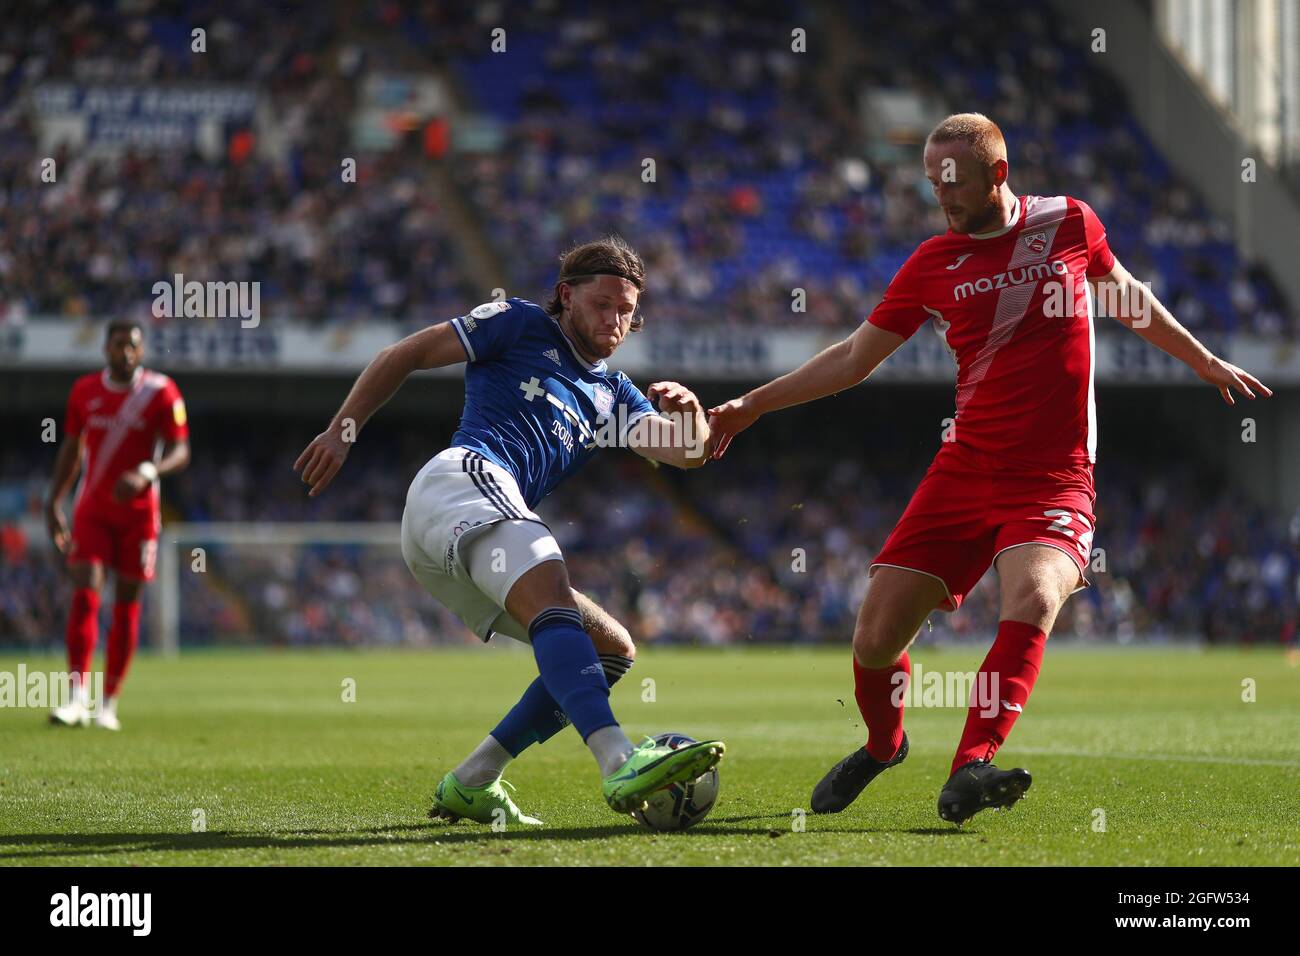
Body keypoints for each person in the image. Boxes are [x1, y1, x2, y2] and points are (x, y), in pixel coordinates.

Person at [708, 113, 1271, 825]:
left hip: (1054, 476)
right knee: (876, 639)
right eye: (932, 184)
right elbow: (854, 360)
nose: (943, 198)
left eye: (955, 183)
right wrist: (753, 405)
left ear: (998, 175)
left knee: (1034, 597)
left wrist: (1203, 360)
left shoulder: (1069, 222)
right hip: (966, 468)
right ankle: (884, 746)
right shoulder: (930, 264)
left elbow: (1126, 297)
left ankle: (971, 763)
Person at [294, 236, 724, 825]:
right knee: (551, 580)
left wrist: (690, 411)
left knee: (610, 649)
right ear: (567, 296)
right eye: (602, 304)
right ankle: (619, 759)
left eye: (626, 311)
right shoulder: (519, 322)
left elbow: (687, 454)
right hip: (462, 480)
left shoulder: (613, 394)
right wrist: (343, 431)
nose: (615, 320)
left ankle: (474, 780)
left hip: (467, 543)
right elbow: (404, 353)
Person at [46, 319, 191, 730]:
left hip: (140, 514)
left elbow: (181, 451)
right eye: (117, 345)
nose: (125, 352)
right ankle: (76, 698)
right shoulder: (84, 391)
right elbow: (71, 450)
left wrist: (148, 471)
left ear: (141, 351)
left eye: (132, 346)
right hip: (92, 508)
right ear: (104, 348)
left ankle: (107, 704)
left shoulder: (161, 392)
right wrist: (53, 499)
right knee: (85, 589)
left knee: (128, 600)